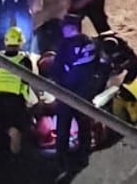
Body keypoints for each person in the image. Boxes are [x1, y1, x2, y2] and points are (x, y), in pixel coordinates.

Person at [53, 14, 98, 180]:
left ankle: (68, 157)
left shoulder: (76, 45)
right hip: (77, 93)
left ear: (72, 28)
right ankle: (75, 155)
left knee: (71, 126)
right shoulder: (85, 44)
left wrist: (60, 82)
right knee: (75, 125)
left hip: (73, 93)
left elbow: (60, 68)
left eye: (64, 27)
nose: (62, 30)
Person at [0, 26, 33, 157]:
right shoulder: (25, 61)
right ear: (20, 43)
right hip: (15, 99)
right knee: (14, 129)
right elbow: (26, 84)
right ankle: (16, 155)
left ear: (6, 42)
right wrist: (26, 103)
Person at [93, 30, 137, 95]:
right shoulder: (95, 43)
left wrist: (120, 66)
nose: (107, 55)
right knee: (101, 76)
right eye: (106, 53)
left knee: (135, 66)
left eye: (110, 54)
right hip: (98, 63)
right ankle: (97, 91)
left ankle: (126, 85)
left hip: (115, 63)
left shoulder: (123, 47)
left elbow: (134, 59)